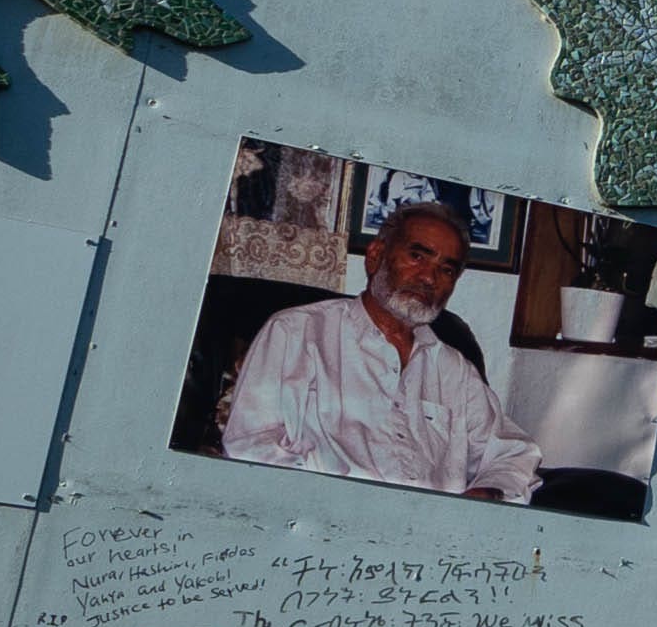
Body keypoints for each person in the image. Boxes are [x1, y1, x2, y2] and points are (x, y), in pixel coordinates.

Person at [215, 196, 544, 502]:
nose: (430, 278)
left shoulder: (454, 370)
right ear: (375, 256)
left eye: (446, 269)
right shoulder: (298, 332)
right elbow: (251, 446)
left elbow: (515, 454)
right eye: (417, 256)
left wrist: (486, 495)